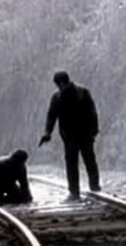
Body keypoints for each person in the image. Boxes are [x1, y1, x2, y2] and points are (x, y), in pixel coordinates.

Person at [38, 70, 100, 200]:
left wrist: (94, 130)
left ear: (61, 83)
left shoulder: (81, 92)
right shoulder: (57, 97)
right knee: (71, 163)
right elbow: (51, 116)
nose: (59, 87)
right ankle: (74, 192)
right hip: (69, 136)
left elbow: (92, 112)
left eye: (59, 84)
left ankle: (95, 187)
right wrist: (47, 133)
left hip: (84, 134)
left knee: (89, 160)